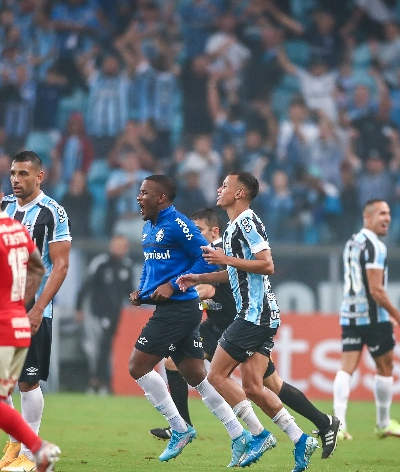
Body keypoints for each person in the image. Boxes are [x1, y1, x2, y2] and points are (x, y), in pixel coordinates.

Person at [152, 207, 340, 460]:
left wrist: (179, 296)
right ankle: (183, 426)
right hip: (219, 326)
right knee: (174, 362)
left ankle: (320, 422)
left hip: (243, 327)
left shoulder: (221, 250)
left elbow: (208, 289)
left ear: (214, 231)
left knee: (268, 384)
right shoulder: (202, 253)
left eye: (198, 230)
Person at [177, 171, 319, 471]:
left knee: (215, 376)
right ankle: (300, 439)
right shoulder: (232, 228)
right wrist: (199, 277)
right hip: (259, 315)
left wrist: (226, 260)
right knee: (254, 387)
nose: (220, 189)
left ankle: (258, 434)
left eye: (226, 186)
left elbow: (267, 264)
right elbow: (233, 273)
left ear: (240, 193)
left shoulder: (247, 222)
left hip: (255, 315)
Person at [129, 174, 257, 467]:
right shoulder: (149, 227)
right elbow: (152, 269)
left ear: (161, 198)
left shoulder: (178, 223)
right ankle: (239, 435)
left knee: (137, 367)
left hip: (180, 309)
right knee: (197, 376)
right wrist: (143, 292)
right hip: (173, 309)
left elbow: (206, 258)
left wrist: (174, 285)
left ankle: (180, 428)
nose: (139, 197)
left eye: (145, 192)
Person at [0, 170, 60, 472]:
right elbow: (38, 268)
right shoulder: (18, 230)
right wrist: (20, 303)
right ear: (1, 197)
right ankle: (34, 448)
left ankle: (33, 450)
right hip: (18, 322)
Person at [0, 151, 71, 472]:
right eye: (13, 173)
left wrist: (39, 309)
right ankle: (16, 441)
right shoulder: (3, 207)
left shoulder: (53, 213)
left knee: (27, 382)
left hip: (31, 307)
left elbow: (61, 265)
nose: (16, 179)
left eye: (23, 173)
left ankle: (31, 452)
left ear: (39, 177)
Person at [333, 199, 400, 440]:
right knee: (385, 366)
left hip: (349, 314)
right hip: (373, 316)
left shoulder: (352, 242)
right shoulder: (376, 246)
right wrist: (398, 317)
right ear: (367, 217)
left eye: (389, 213)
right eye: (382, 213)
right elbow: (376, 290)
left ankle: (338, 424)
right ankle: (383, 423)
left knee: (346, 368)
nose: (387, 218)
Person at [75, 234, 134, 395]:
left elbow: (130, 291)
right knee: (94, 349)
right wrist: (78, 308)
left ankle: (100, 383)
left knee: (106, 349)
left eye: (122, 246)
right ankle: (95, 382)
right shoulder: (100, 263)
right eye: (116, 245)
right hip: (95, 313)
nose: (118, 249)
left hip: (115, 314)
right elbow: (85, 286)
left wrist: (136, 304)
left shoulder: (127, 266)